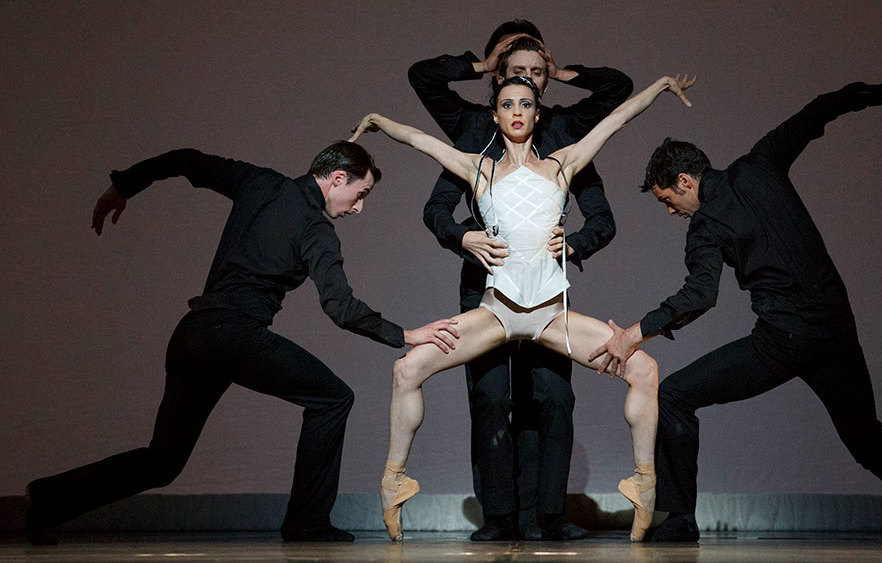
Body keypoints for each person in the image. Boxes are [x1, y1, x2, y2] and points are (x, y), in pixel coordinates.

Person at [589, 80, 882, 545]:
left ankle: (682, 520)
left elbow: (699, 295)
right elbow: (820, 108)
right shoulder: (761, 163)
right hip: (835, 329)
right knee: (869, 439)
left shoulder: (706, 224)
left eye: (668, 201)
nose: (673, 212)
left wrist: (633, 333)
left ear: (685, 182)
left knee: (673, 395)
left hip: (783, 341)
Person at [24, 142, 458, 545]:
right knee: (333, 398)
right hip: (233, 335)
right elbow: (341, 308)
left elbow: (185, 160)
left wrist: (124, 185)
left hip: (193, 333)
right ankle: (306, 522)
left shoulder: (260, 182)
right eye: (360, 193)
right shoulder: (315, 229)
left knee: (163, 462)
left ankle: (46, 500)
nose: (358, 208)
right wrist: (405, 334)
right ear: (338, 178)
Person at [351, 71, 695, 542]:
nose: (517, 111)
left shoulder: (562, 165)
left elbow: (614, 121)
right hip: (496, 313)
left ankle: (644, 482)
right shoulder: (480, 169)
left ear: (537, 114)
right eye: (508, 104)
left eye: (526, 104)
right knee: (406, 370)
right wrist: (378, 120)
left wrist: (657, 88)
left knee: (645, 370)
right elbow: (422, 141)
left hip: (552, 315)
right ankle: (394, 482)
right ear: (495, 114)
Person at [410, 20, 631, 540]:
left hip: (543, 288)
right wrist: (464, 237)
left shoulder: (562, 136)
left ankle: (549, 516)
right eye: (516, 72)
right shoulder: (474, 135)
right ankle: (501, 518)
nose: (527, 81)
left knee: (552, 396)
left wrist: (575, 243)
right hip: (485, 284)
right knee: (489, 397)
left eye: (538, 73)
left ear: (546, 82)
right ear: (497, 82)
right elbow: (436, 208)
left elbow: (603, 216)